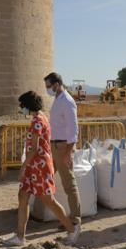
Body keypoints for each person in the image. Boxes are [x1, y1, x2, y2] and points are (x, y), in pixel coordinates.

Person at [5, 91, 79, 246]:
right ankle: (20, 236)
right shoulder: (41, 118)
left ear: (28, 105)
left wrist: (23, 167)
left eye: (22, 105)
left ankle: (72, 229)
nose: (21, 108)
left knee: (48, 200)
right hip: (35, 165)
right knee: (23, 196)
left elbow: (34, 148)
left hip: (39, 166)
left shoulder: (37, 121)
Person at [43, 72, 82, 227]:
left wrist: (68, 152)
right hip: (54, 145)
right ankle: (41, 212)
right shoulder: (58, 100)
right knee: (45, 178)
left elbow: (73, 129)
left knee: (69, 184)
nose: (48, 89)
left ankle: (75, 219)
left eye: (49, 86)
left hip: (62, 146)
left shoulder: (67, 101)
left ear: (57, 84)